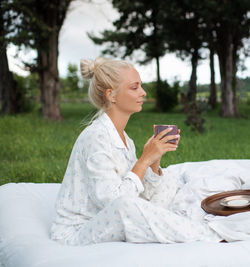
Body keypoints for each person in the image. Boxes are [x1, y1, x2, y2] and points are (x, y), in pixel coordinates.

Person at [50, 57, 220, 245]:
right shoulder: (96, 137)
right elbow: (115, 203)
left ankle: (177, 224)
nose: (143, 92)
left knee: (170, 177)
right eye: (134, 87)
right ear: (111, 95)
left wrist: (154, 160)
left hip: (109, 218)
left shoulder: (125, 139)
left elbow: (136, 191)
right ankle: (206, 235)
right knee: (125, 205)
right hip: (79, 231)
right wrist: (144, 160)